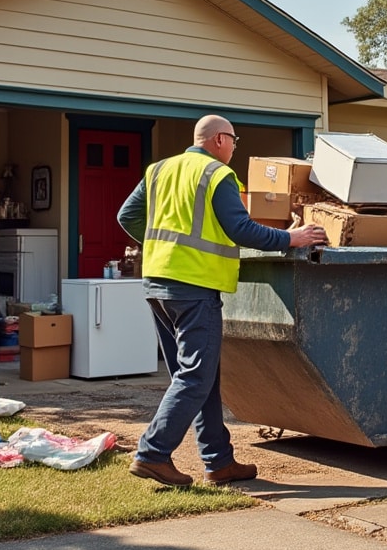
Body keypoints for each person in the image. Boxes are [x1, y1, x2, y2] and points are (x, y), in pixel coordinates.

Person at [117, 114, 327, 486]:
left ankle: (218, 462)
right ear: (218, 140)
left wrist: (160, 243)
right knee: (196, 377)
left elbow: (128, 215)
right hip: (195, 287)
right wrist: (291, 239)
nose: (234, 146)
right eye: (234, 140)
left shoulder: (158, 169)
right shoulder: (217, 175)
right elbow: (240, 228)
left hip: (158, 285)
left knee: (200, 377)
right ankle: (152, 454)